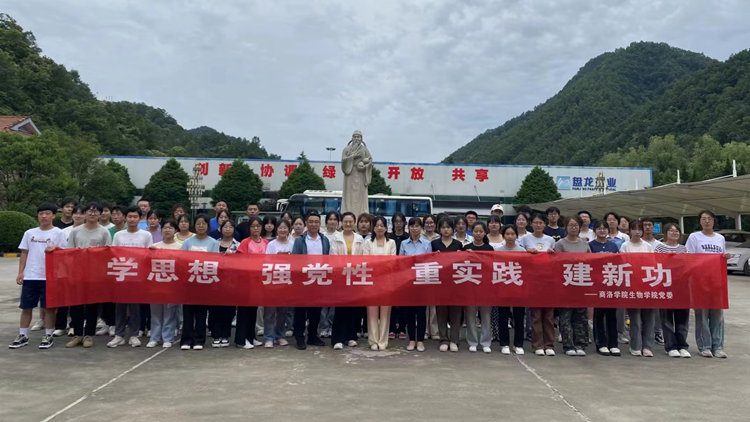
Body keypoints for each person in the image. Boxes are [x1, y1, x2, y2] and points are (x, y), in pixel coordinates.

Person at [9, 203, 67, 350]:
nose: (44, 216)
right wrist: (21, 272)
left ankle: (48, 335)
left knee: (49, 308)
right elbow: (24, 253)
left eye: (47, 213)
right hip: (31, 276)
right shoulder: (29, 233)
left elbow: (65, 253)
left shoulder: (59, 233)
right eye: (41, 213)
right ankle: (22, 335)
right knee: (26, 307)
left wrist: (56, 247)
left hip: (49, 276)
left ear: (53, 216)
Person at [64, 203, 112, 349]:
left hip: (95, 275)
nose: (92, 214)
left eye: (96, 212)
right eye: (89, 211)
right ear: (85, 214)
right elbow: (69, 252)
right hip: (77, 273)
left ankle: (89, 335)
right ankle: (77, 334)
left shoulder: (104, 232)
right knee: (76, 305)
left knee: (92, 305)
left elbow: (108, 254)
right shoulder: (75, 231)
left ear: (100, 215)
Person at [686, 210, 730, 359]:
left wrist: (726, 257)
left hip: (717, 281)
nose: (706, 221)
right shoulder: (694, 237)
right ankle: (704, 346)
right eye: (703, 219)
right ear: (700, 221)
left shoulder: (720, 238)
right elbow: (689, 258)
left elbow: (721, 256)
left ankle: (718, 346)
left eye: (709, 219)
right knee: (702, 315)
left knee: (717, 315)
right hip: (700, 281)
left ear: (714, 221)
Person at [108, 207, 153, 348]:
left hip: (137, 276)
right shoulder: (119, 235)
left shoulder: (146, 235)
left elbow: (149, 255)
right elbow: (113, 254)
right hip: (121, 275)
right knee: (120, 307)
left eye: (135, 217)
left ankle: (134, 335)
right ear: (125, 218)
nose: (132, 219)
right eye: (130, 216)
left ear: (139, 218)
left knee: (135, 307)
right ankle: (119, 335)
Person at [178, 214, 219, 350]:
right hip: (189, 282)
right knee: (188, 313)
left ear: (208, 225)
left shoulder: (213, 242)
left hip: (205, 282)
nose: (201, 226)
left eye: (203, 223)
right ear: (194, 226)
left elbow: (215, 262)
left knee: (201, 313)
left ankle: (199, 340)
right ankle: (186, 340)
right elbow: (181, 260)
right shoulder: (188, 242)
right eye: (198, 224)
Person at [291, 211, 331, 350]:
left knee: (316, 311)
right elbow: (295, 260)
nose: (314, 224)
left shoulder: (324, 240)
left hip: (318, 280)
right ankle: (299, 337)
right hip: (303, 280)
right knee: (301, 311)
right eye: (311, 222)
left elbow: (328, 259)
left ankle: (313, 336)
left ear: (320, 224)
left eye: (316, 222)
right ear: (306, 224)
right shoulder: (300, 240)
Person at [554, 216, 591, 357]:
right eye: (571, 225)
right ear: (566, 227)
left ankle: (580, 344)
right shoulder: (560, 244)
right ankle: (568, 345)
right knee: (566, 317)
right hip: (566, 285)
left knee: (581, 317)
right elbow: (556, 264)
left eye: (576, 225)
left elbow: (591, 263)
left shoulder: (585, 245)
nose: (574, 227)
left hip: (581, 285)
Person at [619, 219, 656, 357]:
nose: (637, 232)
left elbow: (652, 265)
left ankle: (647, 346)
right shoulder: (625, 246)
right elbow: (623, 264)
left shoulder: (647, 246)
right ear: (629, 230)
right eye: (634, 229)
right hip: (632, 286)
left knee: (649, 318)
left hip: (647, 285)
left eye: (639, 229)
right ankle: (635, 345)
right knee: (635, 318)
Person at [329, 212, 365, 350]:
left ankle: (351, 337)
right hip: (341, 276)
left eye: (350, 221)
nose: (348, 224)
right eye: (345, 221)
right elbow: (333, 256)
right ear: (341, 223)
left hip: (355, 276)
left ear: (354, 223)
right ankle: (338, 339)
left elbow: (362, 257)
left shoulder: (359, 238)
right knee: (340, 309)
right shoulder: (336, 238)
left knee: (353, 309)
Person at [491, 224, 527, 355]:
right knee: (503, 316)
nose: (510, 236)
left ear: (516, 235)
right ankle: (504, 343)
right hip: (503, 287)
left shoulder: (522, 251)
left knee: (519, 316)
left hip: (518, 288)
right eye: (507, 234)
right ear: (503, 235)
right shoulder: (498, 251)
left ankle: (518, 344)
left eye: (512, 234)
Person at [656, 223, 691, 358]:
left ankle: (682, 345)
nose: (674, 233)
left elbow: (688, 265)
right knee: (667, 319)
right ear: (666, 233)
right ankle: (670, 346)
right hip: (665, 287)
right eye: (671, 230)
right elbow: (655, 265)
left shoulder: (684, 248)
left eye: (677, 231)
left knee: (682, 318)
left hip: (682, 287)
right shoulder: (659, 248)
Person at [523, 213, 556, 356]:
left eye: (541, 223)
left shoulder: (550, 240)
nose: (538, 225)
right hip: (533, 281)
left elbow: (556, 260)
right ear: (531, 224)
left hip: (548, 281)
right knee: (535, 315)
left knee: (548, 315)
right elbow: (520, 257)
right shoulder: (525, 239)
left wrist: (552, 253)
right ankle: (538, 345)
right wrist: (527, 252)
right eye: (535, 222)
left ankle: (549, 345)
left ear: (544, 224)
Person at [363, 216, 397, 350]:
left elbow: (393, 262)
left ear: (386, 228)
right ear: (373, 228)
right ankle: (373, 341)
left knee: (385, 312)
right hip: (371, 280)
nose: (379, 228)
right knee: (372, 311)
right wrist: (381, 265)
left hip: (387, 281)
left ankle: (383, 341)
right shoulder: (368, 243)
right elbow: (366, 261)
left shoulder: (391, 243)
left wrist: (379, 264)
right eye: (377, 226)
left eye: (382, 225)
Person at [589, 220, 621, 356]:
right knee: (599, 315)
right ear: (594, 231)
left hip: (611, 284)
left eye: (604, 228)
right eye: (599, 228)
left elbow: (619, 263)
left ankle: (613, 343)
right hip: (597, 285)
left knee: (611, 315)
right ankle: (601, 343)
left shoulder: (613, 245)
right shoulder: (590, 245)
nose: (602, 230)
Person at [147, 220, 182, 348]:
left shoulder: (180, 247)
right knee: (155, 313)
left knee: (169, 313)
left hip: (172, 284)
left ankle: (167, 338)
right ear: (161, 230)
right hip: (156, 284)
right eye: (165, 228)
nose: (167, 230)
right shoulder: (155, 246)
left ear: (175, 230)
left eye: (170, 228)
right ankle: (154, 338)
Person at [400, 217, 432, 352]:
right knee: (410, 313)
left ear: (421, 228)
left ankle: (421, 341)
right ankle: (412, 339)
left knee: (421, 313)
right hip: (408, 283)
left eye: (417, 226)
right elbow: (400, 263)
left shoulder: (427, 244)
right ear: (408, 228)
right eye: (412, 226)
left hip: (421, 282)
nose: (414, 228)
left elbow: (429, 262)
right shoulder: (403, 244)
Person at [235, 216, 267, 349]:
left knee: (253, 310)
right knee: (244, 311)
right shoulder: (245, 242)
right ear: (249, 228)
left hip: (259, 281)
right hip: (246, 281)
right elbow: (240, 260)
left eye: (258, 226)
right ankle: (241, 339)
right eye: (253, 226)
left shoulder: (265, 242)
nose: (255, 228)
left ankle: (251, 336)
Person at [432, 218, 463, 352]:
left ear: (453, 229)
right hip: (440, 282)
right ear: (439, 229)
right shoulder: (434, 244)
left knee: (456, 312)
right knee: (441, 312)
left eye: (448, 227)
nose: (445, 230)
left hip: (455, 283)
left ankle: (454, 340)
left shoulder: (458, 244)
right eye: (443, 227)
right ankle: (443, 339)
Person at [207, 219, 240, 348]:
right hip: (215, 281)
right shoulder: (213, 244)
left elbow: (242, 263)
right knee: (215, 310)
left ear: (234, 229)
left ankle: (225, 335)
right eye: (225, 226)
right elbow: (208, 260)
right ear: (220, 229)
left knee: (229, 310)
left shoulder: (238, 245)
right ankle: (216, 335)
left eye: (230, 227)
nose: (227, 229)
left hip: (230, 283)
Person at [463, 222, 494, 353]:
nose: (478, 233)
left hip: (485, 286)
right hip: (470, 286)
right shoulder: (466, 248)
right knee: (470, 315)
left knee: (486, 315)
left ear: (485, 233)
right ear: (472, 232)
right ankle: (472, 341)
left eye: (481, 231)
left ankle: (486, 342)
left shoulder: (489, 248)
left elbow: (491, 266)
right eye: (476, 231)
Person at [263, 219, 293, 348]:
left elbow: (297, 262)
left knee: (282, 311)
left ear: (289, 229)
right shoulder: (271, 245)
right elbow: (266, 261)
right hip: (272, 280)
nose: (282, 230)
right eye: (280, 227)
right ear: (276, 229)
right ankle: (268, 337)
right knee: (270, 311)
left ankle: (280, 335)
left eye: (285, 228)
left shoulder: (293, 244)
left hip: (286, 281)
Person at [641, 217, 664, 346]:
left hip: (655, 280)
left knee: (656, 309)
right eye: (645, 225)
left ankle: (657, 333)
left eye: (649, 225)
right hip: (639, 280)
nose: (647, 227)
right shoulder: (637, 243)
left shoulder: (659, 245)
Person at [319, 212, 342, 339]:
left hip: (336, 273)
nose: (332, 222)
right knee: (323, 302)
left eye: (335, 219)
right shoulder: (321, 236)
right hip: (322, 272)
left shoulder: (340, 236)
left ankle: (332, 326)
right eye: (330, 219)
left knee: (334, 302)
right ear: (326, 221)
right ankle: (323, 326)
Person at [341, 130, 372, 218]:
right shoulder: (346, 149)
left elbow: (370, 160)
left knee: (361, 196)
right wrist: (353, 157)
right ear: (352, 138)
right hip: (350, 173)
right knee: (349, 195)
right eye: (354, 136)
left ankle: (361, 215)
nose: (356, 139)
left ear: (361, 139)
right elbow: (343, 161)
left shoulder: (364, 149)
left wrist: (365, 166)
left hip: (361, 174)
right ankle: (348, 213)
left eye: (358, 137)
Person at [388, 212, 409, 340]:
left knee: (403, 303)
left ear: (404, 223)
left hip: (404, 274)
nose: (398, 224)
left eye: (400, 221)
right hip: (390, 274)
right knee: (390, 302)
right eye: (396, 221)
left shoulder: (407, 238)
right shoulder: (388, 237)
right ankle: (391, 328)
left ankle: (402, 328)